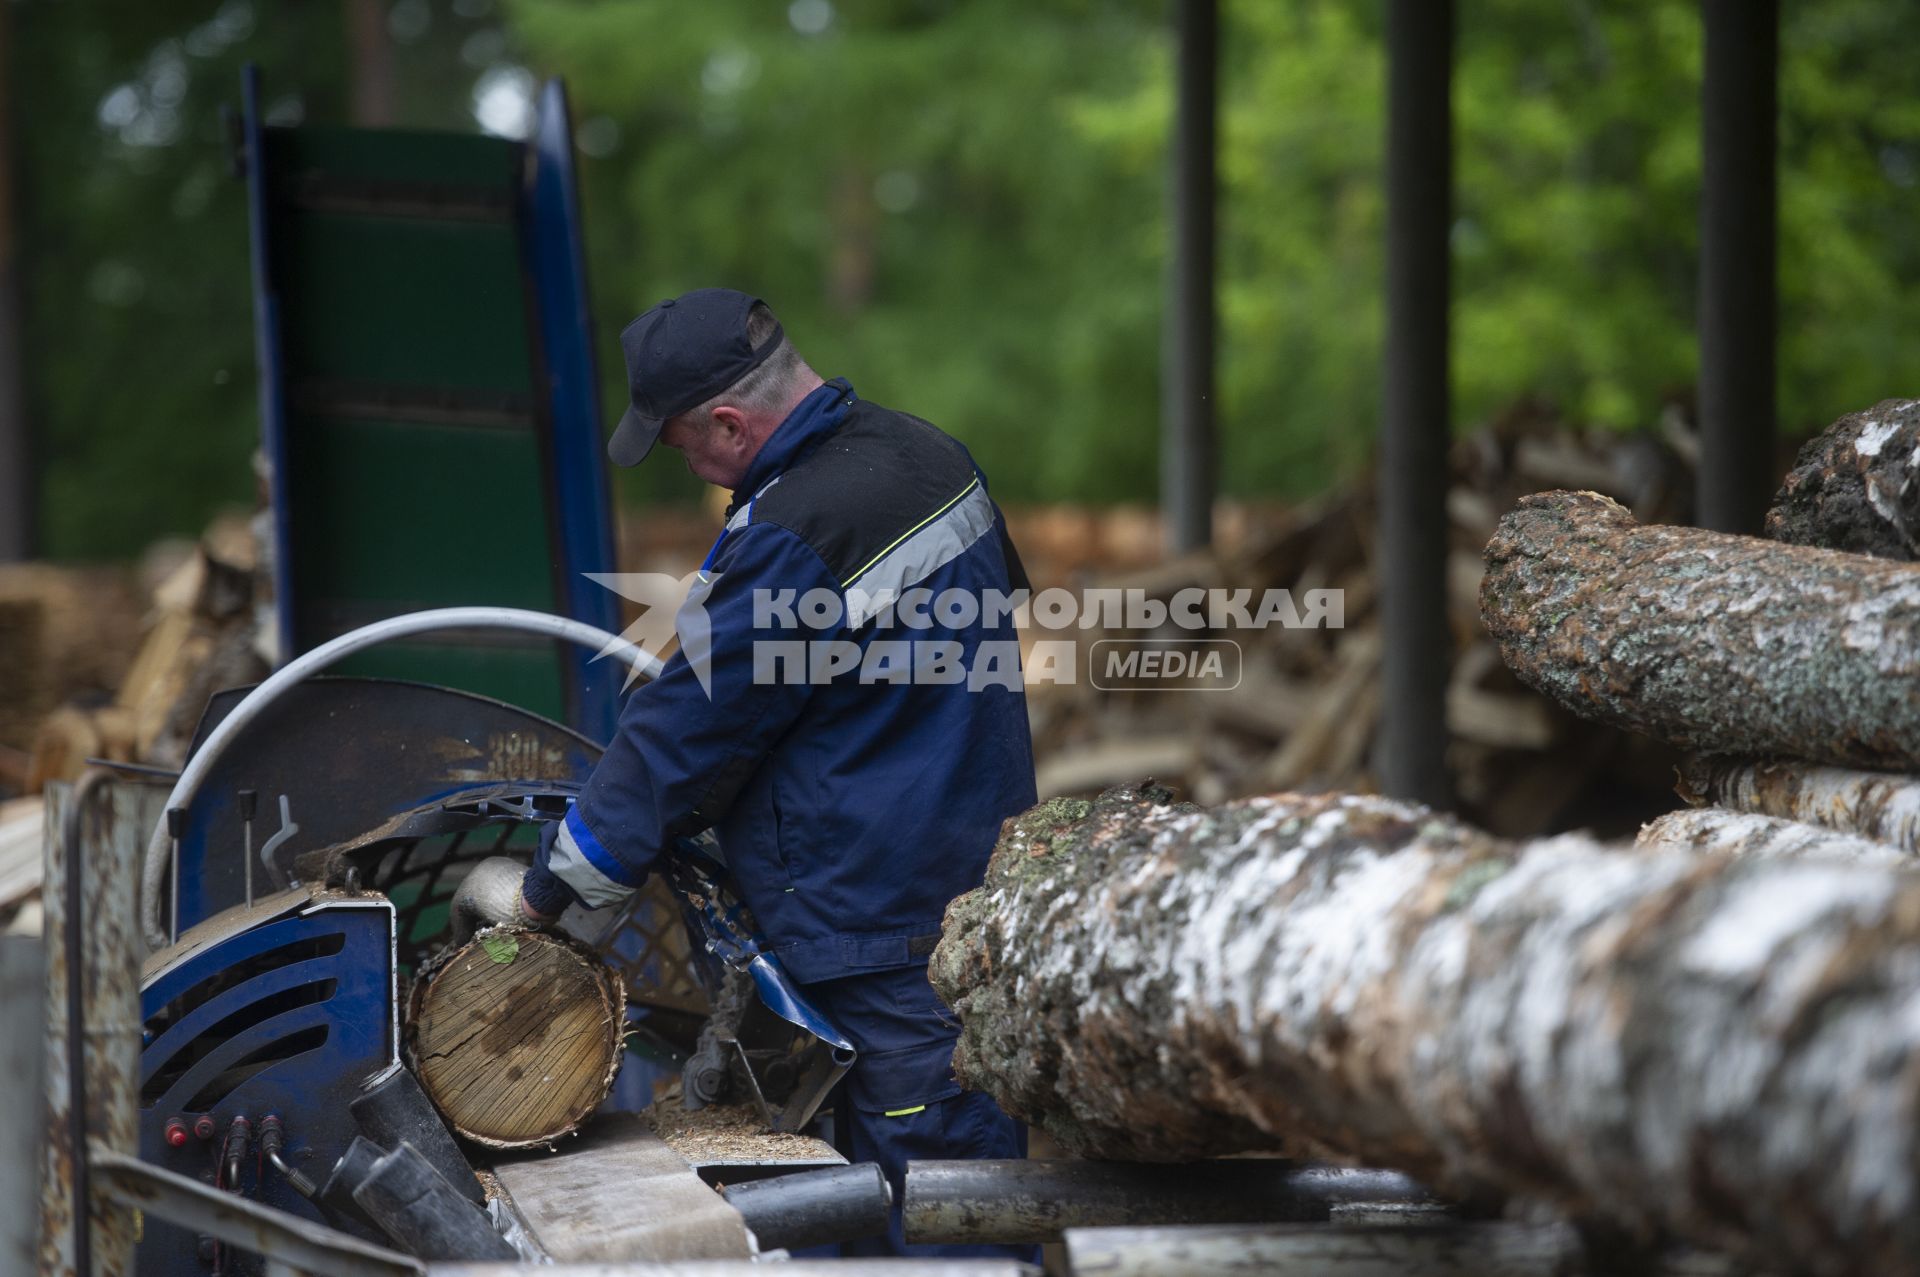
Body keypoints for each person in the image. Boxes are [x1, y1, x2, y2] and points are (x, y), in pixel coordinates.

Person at [515, 287, 1038, 1259]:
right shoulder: (932, 457)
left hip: (875, 929)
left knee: (934, 1217)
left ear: (728, 420)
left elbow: (685, 733)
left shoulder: (796, 527)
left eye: (682, 445)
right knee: (977, 1199)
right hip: (973, 892)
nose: (692, 471)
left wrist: (553, 891)